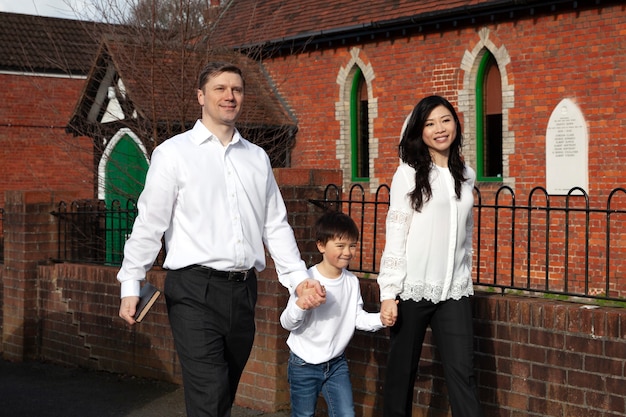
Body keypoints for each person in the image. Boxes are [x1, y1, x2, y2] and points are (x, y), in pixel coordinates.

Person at [116, 61, 326, 417]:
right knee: (210, 394)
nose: (230, 96)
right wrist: (131, 282)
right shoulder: (173, 153)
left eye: (237, 90)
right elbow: (150, 223)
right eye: (220, 88)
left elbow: (275, 226)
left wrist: (298, 281)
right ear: (201, 96)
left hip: (243, 292)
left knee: (222, 394)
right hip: (193, 291)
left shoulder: (257, 158)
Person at [377, 95, 484, 417]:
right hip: (412, 289)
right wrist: (388, 292)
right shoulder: (408, 174)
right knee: (401, 375)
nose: (440, 129)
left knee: (463, 372)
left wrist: (464, 274)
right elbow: (396, 232)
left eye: (445, 120)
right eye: (430, 123)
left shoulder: (467, 174)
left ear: (456, 123)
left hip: (454, 290)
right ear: (419, 132)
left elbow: (464, 233)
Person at [280, 211, 387, 417]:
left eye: (352, 245)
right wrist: (301, 305)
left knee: (346, 413)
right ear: (321, 245)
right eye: (340, 246)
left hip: (336, 364)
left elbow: (357, 317)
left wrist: (380, 319)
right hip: (303, 364)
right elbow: (287, 322)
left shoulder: (351, 281)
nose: (347, 252)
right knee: (303, 414)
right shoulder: (307, 279)